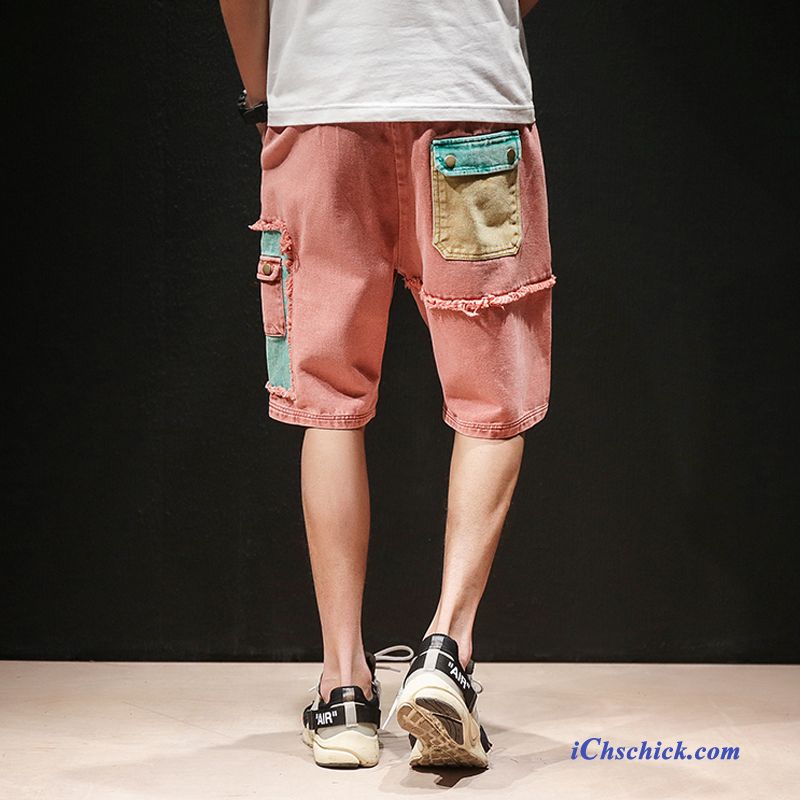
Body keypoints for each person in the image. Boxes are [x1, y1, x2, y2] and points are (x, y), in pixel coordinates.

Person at [220, 0, 553, 770]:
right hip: (468, 93)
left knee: (328, 400)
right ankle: (445, 653)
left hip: (321, 101)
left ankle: (344, 689)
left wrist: (263, 98)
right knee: (490, 395)